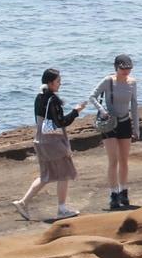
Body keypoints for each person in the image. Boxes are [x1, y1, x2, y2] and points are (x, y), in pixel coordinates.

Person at [13, 68, 87, 221]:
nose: (60, 83)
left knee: (45, 176)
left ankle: (23, 202)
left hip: (40, 140)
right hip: (53, 142)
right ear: (50, 82)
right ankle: (62, 209)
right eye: (58, 81)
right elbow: (61, 122)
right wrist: (76, 111)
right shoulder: (52, 100)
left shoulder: (39, 97)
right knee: (64, 174)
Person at [91, 54, 140, 210]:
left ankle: (124, 191)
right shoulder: (108, 81)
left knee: (124, 160)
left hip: (125, 122)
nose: (126, 71)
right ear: (116, 68)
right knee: (113, 160)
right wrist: (102, 110)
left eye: (129, 68)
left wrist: (136, 128)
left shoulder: (132, 83)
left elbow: (134, 105)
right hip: (109, 124)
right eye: (123, 68)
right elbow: (92, 97)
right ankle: (113, 194)